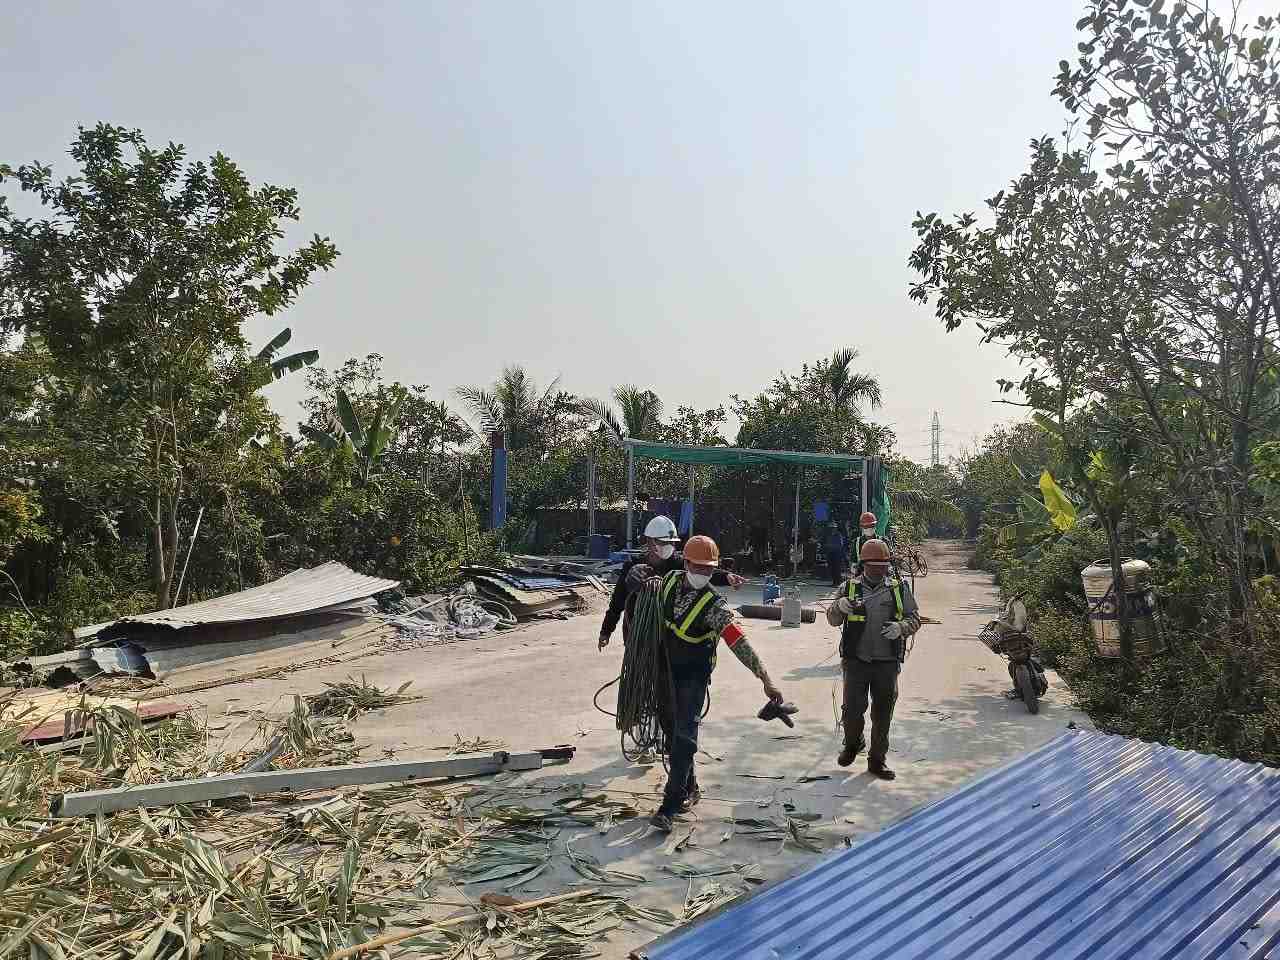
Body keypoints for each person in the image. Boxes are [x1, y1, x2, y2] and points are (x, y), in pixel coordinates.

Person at [649, 534, 784, 831]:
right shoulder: (669, 581)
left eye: (709, 570)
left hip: (693, 678)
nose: (703, 574)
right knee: (672, 734)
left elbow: (739, 642)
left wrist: (765, 678)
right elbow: (645, 594)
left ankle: (669, 806)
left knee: (685, 737)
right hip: (664, 671)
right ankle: (690, 785)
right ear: (685, 563)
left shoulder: (715, 606)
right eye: (698, 568)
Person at [826, 538, 921, 780]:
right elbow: (832, 619)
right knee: (852, 710)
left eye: (883, 565)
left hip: (886, 662)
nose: (879, 570)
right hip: (856, 660)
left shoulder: (899, 589)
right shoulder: (849, 588)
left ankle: (877, 760)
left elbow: (915, 618)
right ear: (864, 565)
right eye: (874, 566)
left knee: (882, 713)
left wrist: (902, 627)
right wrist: (840, 606)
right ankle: (852, 744)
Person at [598, 516, 744, 651]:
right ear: (649, 541)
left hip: (665, 634)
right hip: (637, 633)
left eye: (672, 542)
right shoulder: (633, 568)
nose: (669, 546)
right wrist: (606, 631)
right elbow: (617, 603)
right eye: (664, 542)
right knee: (638, 670)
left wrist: (727, 577)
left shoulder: (677, 563)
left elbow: (700, 569)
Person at [852, 511, 879, 576]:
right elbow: (854, 561)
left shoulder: (883, 541)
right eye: (866, 526)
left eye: (871, 526)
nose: (869, 528)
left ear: (875, 526)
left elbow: (889, 561)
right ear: (862, 527)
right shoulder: (856, 542)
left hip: (880, 576)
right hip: (862, 577)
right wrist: (854, 569)